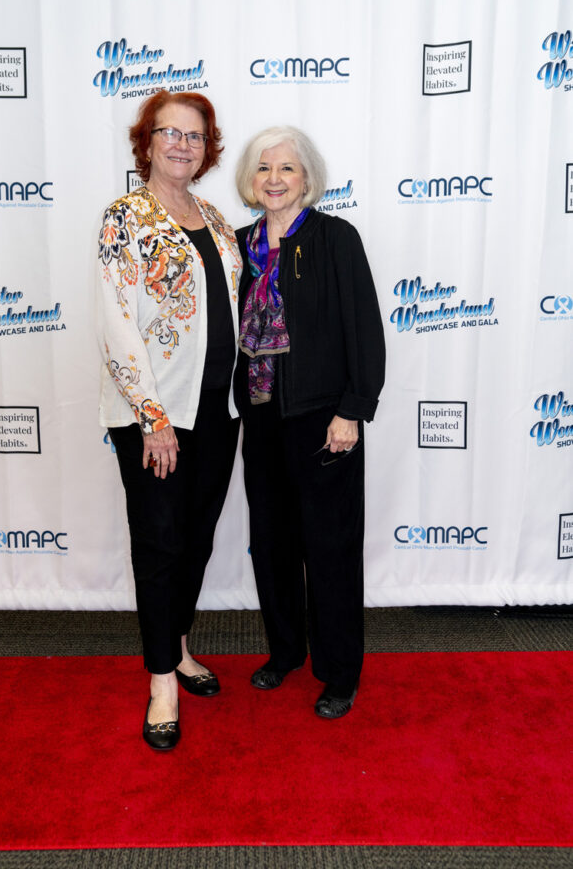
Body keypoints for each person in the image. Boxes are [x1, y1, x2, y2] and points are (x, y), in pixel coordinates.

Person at [97, 90, 241, 750]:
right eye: (170, 133)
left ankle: (178, 648)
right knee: (159, 545)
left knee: (196, 538)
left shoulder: (215, 219)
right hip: (155, 416)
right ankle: (161, 681)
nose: (183, 145)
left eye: (195, 136)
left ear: (206, 149)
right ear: (147, 143)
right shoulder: (124, 217)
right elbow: (117, 324)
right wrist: (152, 418)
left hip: (218, 410)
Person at [234, 126, 385, 719]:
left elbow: (363, 329)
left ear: (307, 179)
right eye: (264, 168)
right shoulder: (239, 246)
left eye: (286, 169)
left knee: (330, 549)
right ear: (251, 180)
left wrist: (353, 409)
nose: (274, 179)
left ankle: (340, 671)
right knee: (272, 545)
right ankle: (285, 652)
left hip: (325, 420)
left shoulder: (335, 238)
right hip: (261, 418)